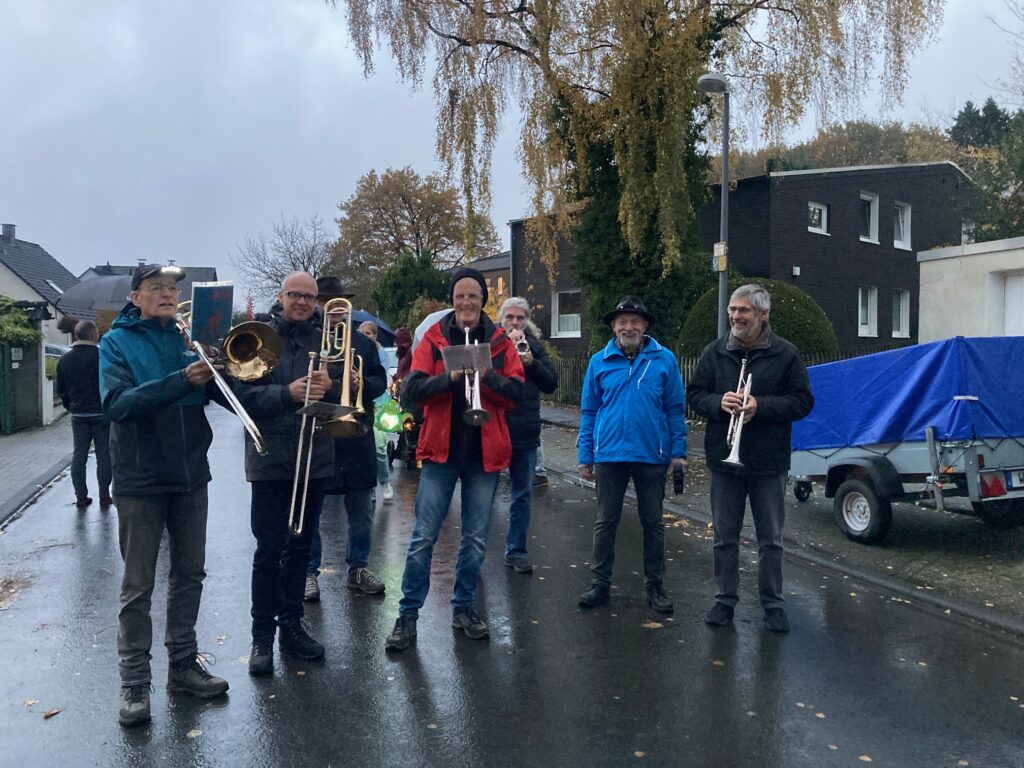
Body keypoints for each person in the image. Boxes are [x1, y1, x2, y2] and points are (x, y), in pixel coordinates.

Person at [99, 264, 229, 727]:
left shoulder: (185, 338)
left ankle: (183, 666)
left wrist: (219, 368)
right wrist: (182, 380)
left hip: (192, 473)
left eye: (173, 287)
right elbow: (117, 405)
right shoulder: (116, 343)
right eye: (157, 287)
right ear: (136, 297)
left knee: (190, 574)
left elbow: (219, 398)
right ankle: (134, 681)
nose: (168, 294)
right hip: (140, 479)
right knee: (139, 586)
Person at [385, 268, 524, 651]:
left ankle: (464, 608)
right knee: (423, 538)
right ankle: (407, 615)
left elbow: (517, 393)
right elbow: (412, 390)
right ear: (452, 299)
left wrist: (487, 377)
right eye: (460, 296)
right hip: (441, 453)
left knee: (476, 539)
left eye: (473, 297)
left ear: (483, 301)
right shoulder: (434, 338)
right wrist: (449, 378)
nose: (466, 303)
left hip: (484, 453)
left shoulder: (498, 341)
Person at [687, 284, 814, 633]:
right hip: (724, 462)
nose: (735, 316)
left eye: (743, 310)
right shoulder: (715, 352)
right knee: (724, 536)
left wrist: (763, 405)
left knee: (770, 539)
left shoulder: (786, 354)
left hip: (769, 463)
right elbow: (695, 394)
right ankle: (724, 600)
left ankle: (772, 603)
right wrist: (718, 403)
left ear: (762, 314)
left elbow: (803, 401)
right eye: (732, 310)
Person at [236, 271, 340, 675]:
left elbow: (344, 391)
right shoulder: (259, 339)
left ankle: (291, 626)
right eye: (294, 294)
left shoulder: (325, 341)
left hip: (315, 456)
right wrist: (287, 393)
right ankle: (261, 636)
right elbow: (243, 399)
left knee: (300, 549)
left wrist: (336, 385)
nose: (301, 302)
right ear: (281, 296)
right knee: (268, 551)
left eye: (309, 296)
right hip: (270, 458)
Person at [577, 296, 687, 614]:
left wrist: (678, 453)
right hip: (609, 456)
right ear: (613, 326)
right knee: (605, 522)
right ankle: (599, 584)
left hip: (652, 455)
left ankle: (655, 587)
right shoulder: (599, 361)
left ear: (645, 326)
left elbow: (675, 410)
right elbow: (589, 412)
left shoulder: (664, 360)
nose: (629, 326)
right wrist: (586, 456)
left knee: (653, 524)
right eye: (622, 321)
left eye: (635, 321)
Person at [303, 277, 388, 604]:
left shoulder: (363, 345)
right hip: (320, 433)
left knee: (361, 510)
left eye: (337, 304)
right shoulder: (310, 340)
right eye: (325, 303)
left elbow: (380, 384)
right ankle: (309, 571)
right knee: (312, 509)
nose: (331, 310)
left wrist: (360, 380)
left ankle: (358, 568)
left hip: (356, 435)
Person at [497, 297, 558, 574]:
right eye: (510, 317)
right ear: (501, 320)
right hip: (495, 429)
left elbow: (551, 383)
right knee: (484, 495)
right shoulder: (492, 344)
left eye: (520, 318)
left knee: (522, 494)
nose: (515, 322)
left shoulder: (534, 346)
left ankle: (516, 551)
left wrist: (531, 362)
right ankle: (477, 552)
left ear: (527, 321)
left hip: (526, 431)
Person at [56, 320, 112, 509]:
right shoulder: (103, 356)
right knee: (104, 453)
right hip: (101, 411)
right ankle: (104, 495)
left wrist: (70, 406)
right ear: (95, 335)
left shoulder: (64, 359)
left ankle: (81, 496)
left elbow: (61, 388)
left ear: (75, 336)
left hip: (78, 414)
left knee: (79, 454)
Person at [357, 318, 395, 502]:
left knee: (379, 446)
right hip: (360, 403)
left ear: (375, 335)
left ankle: (385, 481)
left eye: (368, 333)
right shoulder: (353, 349)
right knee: (362, 449)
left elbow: (381, 376)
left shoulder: (380, 352)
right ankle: (369, 486)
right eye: (362, 332)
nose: (365, 336)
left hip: (380, 402)